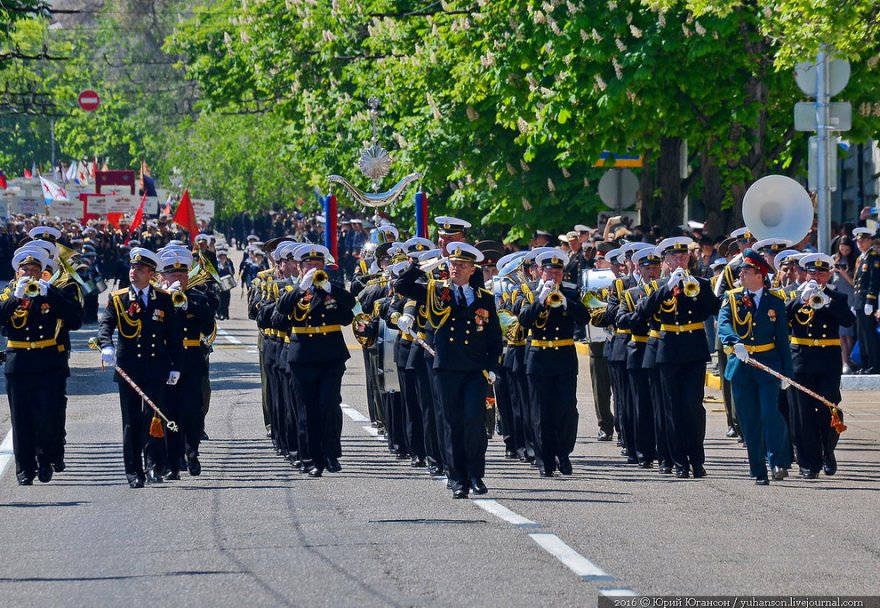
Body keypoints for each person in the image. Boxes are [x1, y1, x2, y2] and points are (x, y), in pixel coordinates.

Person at [395, 242, 502, 498]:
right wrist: (418, 267)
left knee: (474, 421)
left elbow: (493, 336)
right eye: (453, 264)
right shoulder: (434, 291)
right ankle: (457, 479)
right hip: (445, 368)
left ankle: (476, 475)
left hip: (475, 370)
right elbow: (401, 287)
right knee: (451, 423)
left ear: (471, 269)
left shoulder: (483, 298)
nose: (455, 268)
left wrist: (492, 366)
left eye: (461, 265)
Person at [97, 248, 184, 488]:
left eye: (141, 269)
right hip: (129, 369)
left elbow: (174, 336)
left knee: (153, 419)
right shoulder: (118, 298)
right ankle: (134, 471)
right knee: (131, 421)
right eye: (133, 268)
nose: (134, 272)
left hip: (156, 368)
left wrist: (176, 367)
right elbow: (106, 325)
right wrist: (106, 345)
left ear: (151, 274)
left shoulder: (163, 299)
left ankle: (154, 466)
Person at [635, 237, 720, 479]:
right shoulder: (657, 286)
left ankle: (697, 459)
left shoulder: (700, 283)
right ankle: (677, 459)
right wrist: (666, 287)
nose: (679, 260)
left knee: (693, 407)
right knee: (671, 408)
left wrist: (697, 287)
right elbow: (642, 312)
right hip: (668, 349)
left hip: (693, 349)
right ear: (666, 261)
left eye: (683, 256)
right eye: (674, 257)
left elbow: (715, 308)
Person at [0, 246, 82, 485]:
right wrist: (16, 296)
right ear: (17, 274)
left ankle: (45, 460)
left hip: (48, 362)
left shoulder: (51, 292)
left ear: (42, 273)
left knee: (49, 416)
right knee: (21, 419)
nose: (29, 274)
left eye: (34, 270)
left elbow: (75, 319)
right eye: (24, 270)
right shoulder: (8, 295)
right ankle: (24, 469)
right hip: (19, 363)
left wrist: (51, 295)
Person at [274, 244, 356, 477]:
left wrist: (329, 289)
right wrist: (302, 287)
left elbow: (349, 309)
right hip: (303, 357)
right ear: (299, 268)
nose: (313, 269)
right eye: (308, 265)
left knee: (329, 404)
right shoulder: (292, 290)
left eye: (317, 265)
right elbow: (281, 309)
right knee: (306, 409)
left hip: (331, 355)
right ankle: (310, 458)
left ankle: (330, 454)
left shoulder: (331, 289)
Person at [717, 249, 793, 485]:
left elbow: (782, 340)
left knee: (770, 413)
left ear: (759, 275)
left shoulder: (775, 302)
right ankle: (758, 469)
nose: (742, 274)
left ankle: (777, 462)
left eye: (747, 271)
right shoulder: (731, 298)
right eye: (742, 271)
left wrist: (786, 373)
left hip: (768, 365)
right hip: (741, 366)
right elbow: (724, 324)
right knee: (749, 419)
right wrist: (734, 342)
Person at [518, 250, 591, 476]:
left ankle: (564, 453)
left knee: (567, 410)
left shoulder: (571, 292)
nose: (554, 275)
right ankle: (544, 459)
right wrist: (541, 300)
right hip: (539, 357)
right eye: (549, 271)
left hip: (564, 358)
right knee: (540, 412)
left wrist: (566, 301)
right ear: (540, 271)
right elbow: (523, 319)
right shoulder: (529, 292)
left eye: (558, 272)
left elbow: (584, 317)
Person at [786, 253, 855, 478]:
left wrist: (828, 302)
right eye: (813, 273)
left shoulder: (837, 297)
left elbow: (848, 320)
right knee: (802, 414)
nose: (817, 277)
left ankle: (828, 450)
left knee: (829, 409)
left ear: (828, 274)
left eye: (821, 273)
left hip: (828, 361)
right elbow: (782, 319)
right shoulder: (794, 296)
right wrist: (799, 300)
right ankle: (809, 463)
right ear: (805, 274)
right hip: (801, 360)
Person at [156, 247, 217, 479]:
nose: (178, 279)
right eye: (172, 274)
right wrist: (165, 301)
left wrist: (186, 306)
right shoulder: (156, 298)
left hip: (191, 361)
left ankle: (192, 452)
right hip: (165, 361)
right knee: (169, 411)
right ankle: (174, 459)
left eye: (182, 274)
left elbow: (208, 323)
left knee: (192, 410)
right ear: (163, 276)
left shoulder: (198, 297)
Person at [851, 228, 880, 374]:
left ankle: (874, 364)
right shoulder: (860, 258)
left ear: (869, 241)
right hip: (859, 301)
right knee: (860, 334)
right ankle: (865, 363)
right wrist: (855, 302)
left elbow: (874, 282)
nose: (859, 243)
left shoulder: (873, 257)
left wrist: (870, 300)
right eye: (858, 241)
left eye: (862, 240)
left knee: (869, 334)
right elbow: (857, 282)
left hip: (867, 301)